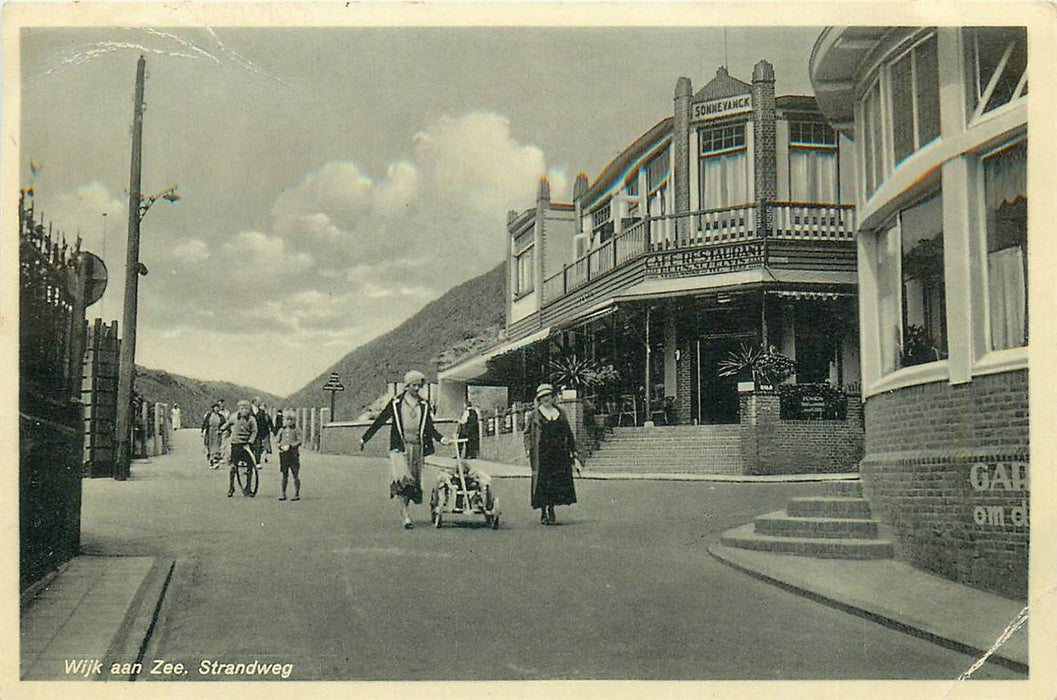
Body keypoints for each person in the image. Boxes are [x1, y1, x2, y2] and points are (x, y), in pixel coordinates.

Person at [360, 370, 450, 529]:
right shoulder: (396, 403)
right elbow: (380, 420)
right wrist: (364, 438)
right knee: (403, 480)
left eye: (419, 385)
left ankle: (405, 510)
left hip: (417, 447)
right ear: (406, 386)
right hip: (399, 447)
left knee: (412, 482)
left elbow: (429, 427)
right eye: (414, 385)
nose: (417, 388)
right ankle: (405, 514)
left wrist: (441, 439)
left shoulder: (424, 404)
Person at [524, 383, 580, 525]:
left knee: (555, 482)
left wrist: (573, 450)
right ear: (539, 399)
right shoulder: (534, 415)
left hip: (558, 452)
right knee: (542, 482)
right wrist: (528, 448)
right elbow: (527, 434)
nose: (546, 399)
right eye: (543, 397)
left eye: (548, 395)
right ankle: (543, 511)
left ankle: (551, 508)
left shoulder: (560, 412)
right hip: (541, 452)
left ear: (553, 397)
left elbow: (568, 432)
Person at [223, 400, 258, 497]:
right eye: (242, 409)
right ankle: (231, 487)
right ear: (238, 409)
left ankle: (248, 488)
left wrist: (251, 441)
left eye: (246, 409)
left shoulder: (251, 419)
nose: (244, 411)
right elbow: (227, 424)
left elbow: (254, 431)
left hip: (247, 445)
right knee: (233, 467)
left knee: (249, 467)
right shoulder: (234, 417)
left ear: (249, 410)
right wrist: (222, 429)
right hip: (236, 445)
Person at [277, 408, 302, 501]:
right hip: (284, 455)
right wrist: (280, 446)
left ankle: (296, 493)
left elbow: (299, 440)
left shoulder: (296, 430)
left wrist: (291, 446)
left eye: (290, 419)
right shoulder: (281, 430)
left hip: (293, 455)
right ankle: (283, 493)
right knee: (284, 474)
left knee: (295, 474)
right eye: (286, 419)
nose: (288, 421)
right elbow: (277, 441)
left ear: (294, 421)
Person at [201, 403, 225, 467]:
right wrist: (202, 431)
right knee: (210, 446)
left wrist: (222, 430)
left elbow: (225, 424)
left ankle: (215, 460)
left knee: (217, 446)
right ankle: (211, 461)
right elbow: (205, 423)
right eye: (215, 408)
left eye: (218, 408)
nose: (217, 409)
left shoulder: (221, 416)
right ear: (213, 408)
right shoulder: (209, 415)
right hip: (210, 433)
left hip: (217, 433)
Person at [251, 398, 274, 464]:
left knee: (258, 447)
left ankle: (257, 462)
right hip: (250, 432)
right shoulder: (249, 411)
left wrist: (265, 433)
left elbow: (264, 423)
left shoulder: (262, 412)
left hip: (259, 433)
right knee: (250, 446)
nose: (260, 403)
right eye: (259, 402)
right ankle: (249, 461)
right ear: (254, 402)